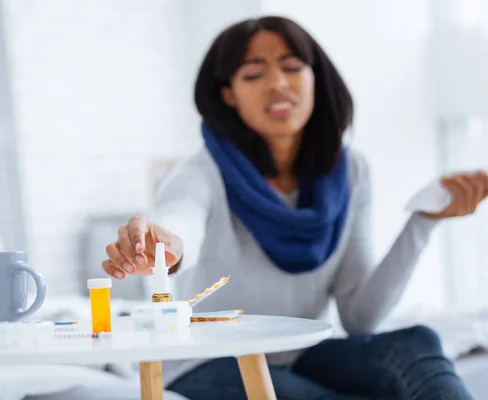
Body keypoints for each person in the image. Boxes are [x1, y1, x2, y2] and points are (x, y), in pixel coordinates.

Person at [101, 16, 488, 399]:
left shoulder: (351, 171)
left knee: (416, 345)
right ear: (229, 94)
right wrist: (166, 243)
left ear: (314, 77)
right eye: (253, 74)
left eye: (291, 67)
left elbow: (359, 318)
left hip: (302, 352)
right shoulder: (201, 173)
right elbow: (182, 218)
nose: (278, 84)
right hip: (206, 360)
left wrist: (423, 222)